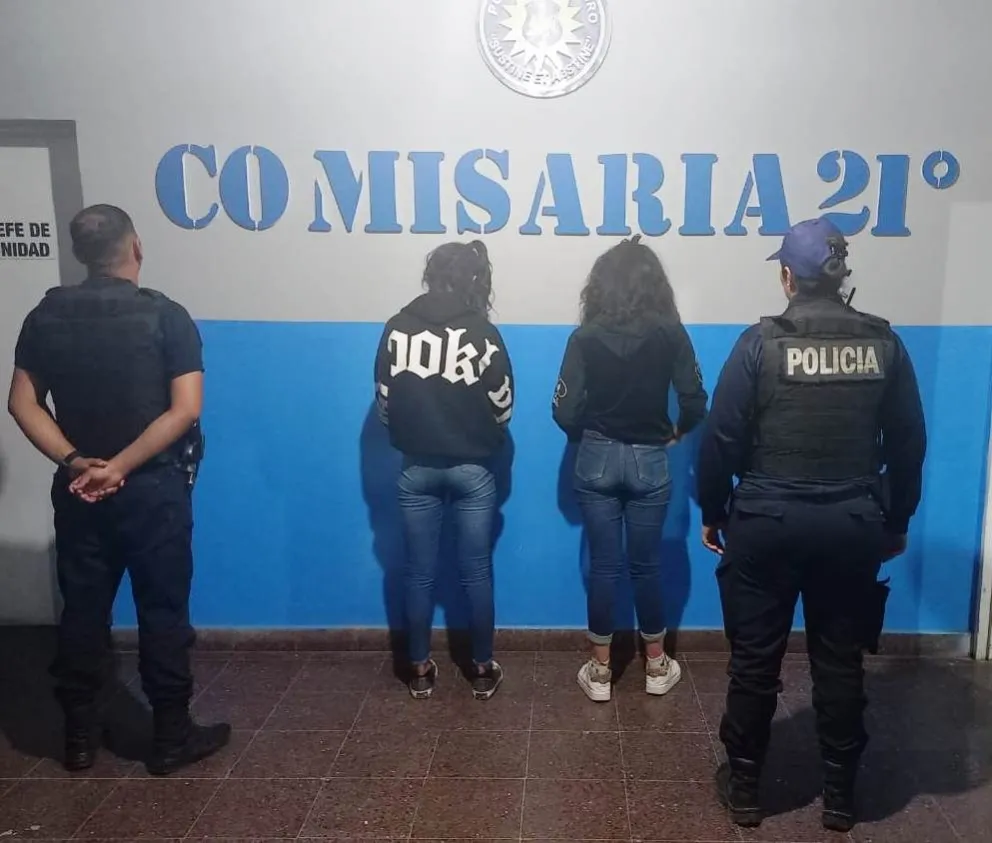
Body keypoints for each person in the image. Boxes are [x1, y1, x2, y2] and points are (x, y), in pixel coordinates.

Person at [696, 218, 926, 832]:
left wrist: (714, 510)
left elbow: (721, 440)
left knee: (753, 662)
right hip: (852, 525)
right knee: (840, 659)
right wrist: (896, 520)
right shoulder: (884, 344)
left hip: (766, 523)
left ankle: (745, 788)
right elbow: (908, 444)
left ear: (788, 276)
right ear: (841, 274)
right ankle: (842, 798)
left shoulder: (759, 344)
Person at [7, 204, 230, 775]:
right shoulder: (166, 317)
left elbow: (22, 403)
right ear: (136, 246)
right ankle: (170, 738)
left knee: (83, 610)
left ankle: (79, 737)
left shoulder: (45, 317)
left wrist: (80, 462)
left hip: (80, 490)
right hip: (152, 490)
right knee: (163, 612)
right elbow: (185, 410)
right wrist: (123, 466)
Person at [552, 235, 708, 702]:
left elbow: (562, 411)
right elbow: (696, 401)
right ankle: (657, 666)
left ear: (600, 286)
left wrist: (590, 434)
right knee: (646, 565)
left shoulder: (584, 337)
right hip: (649, 459)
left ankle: (600, 674)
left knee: (603, 567)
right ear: (653, 284)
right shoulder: (671, 334)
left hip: (597, 457)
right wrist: (677, 431)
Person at [374, 240, 513, 700]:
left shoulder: (395, 329)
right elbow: (503, 406)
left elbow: (385, 403)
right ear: (473, 279)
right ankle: (480, 668)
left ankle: (417, 669)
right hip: (474, 469)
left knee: (418, 573)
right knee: (476, 572)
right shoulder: (483, 332)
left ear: (431, 275)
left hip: (416, 468)